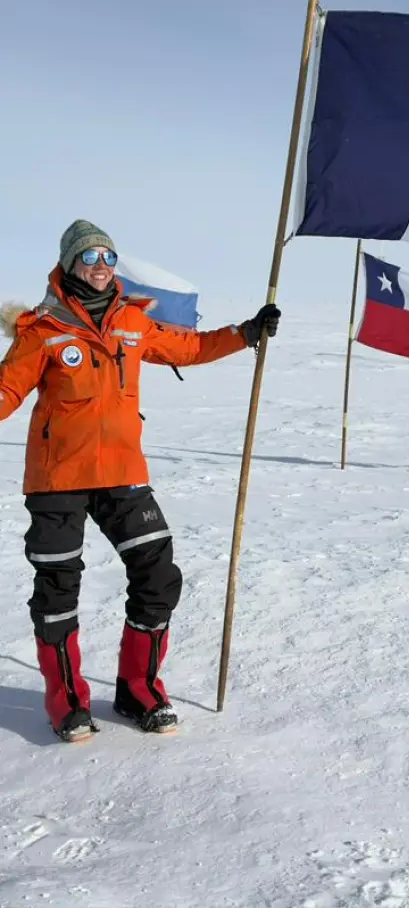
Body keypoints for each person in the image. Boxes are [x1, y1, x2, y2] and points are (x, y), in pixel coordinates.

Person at [0, 219, 281, 742]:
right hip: (58, 478)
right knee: (57, 590)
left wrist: (245, 334)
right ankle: (66, 701)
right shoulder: (41, 330)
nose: (101, 267)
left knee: (158, 574)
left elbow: (190, 348)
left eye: (108, 258)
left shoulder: (133, 322)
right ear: (69, 264)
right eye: (89, 258)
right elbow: (7, 392)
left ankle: (138, 689)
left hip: (124, 473)